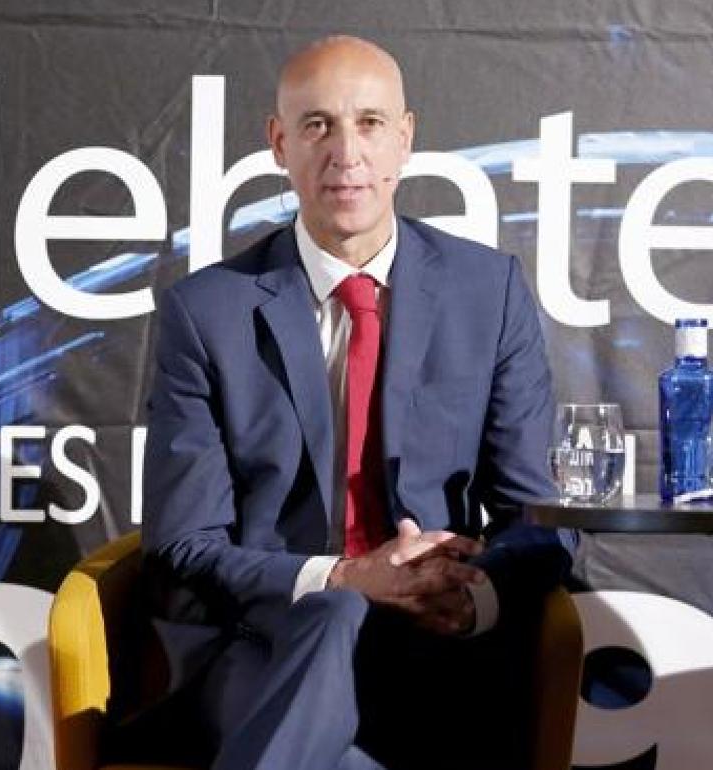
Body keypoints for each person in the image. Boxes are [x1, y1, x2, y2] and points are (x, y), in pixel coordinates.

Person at [140, 36, 572, 770]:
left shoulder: (487, 293)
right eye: (317, 125)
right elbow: (186, 542)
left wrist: (476, 599)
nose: (346, 153)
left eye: (369, 123)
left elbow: (542, 518)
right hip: (265, 640)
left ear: (405, 140)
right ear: (279, 143)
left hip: (438, 642)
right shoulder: (206, 312)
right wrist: (343, 578)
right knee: (337, 617)